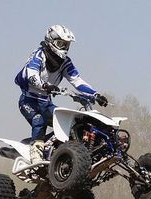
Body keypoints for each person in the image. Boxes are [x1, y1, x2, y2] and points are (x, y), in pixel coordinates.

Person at [15, 24, 108, 164]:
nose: (64, 48)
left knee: (68, 124)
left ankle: (61, 154)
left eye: (66, 45)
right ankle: (36, 155)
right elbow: (31, 73)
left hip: (46, 103)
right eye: (60, 44)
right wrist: (44, 85)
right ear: (50, 41)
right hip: (28, 102)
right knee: (38, 119)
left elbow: (77, 80)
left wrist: (95, 94)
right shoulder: (39, 55)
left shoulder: (65, 62)